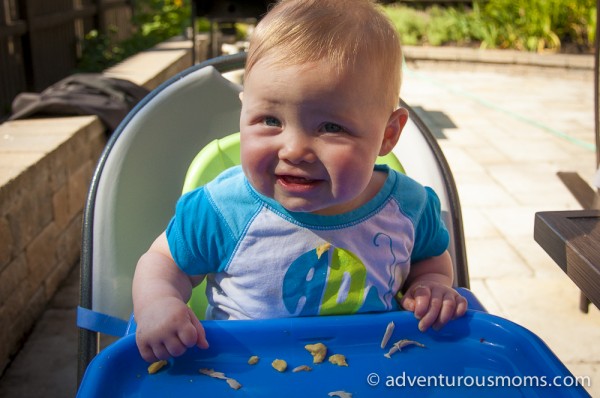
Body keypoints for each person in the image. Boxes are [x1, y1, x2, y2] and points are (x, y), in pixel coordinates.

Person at [132, 0, 468, 363]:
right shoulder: (223, 209)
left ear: (387, 135)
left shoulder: (409, 207)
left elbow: (430, 260)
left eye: (331, 127)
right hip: (245, 372)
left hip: (373, 367)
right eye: (270, 120)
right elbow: (163, 261)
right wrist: (158, 303)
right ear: (244, 111)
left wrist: (431, 286)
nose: (293, 150)